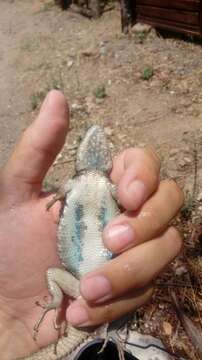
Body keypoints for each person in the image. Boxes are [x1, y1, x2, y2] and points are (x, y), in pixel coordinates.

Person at [0, 90, 183, 359]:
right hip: (75, 286)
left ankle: (113, 334)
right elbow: (62, 193)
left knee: (104, 288)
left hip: (81, 285)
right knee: (67, 280)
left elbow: (126, 200)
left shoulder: (106, 185)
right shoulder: (79, 183)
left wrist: (139, 203)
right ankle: (70, 310)